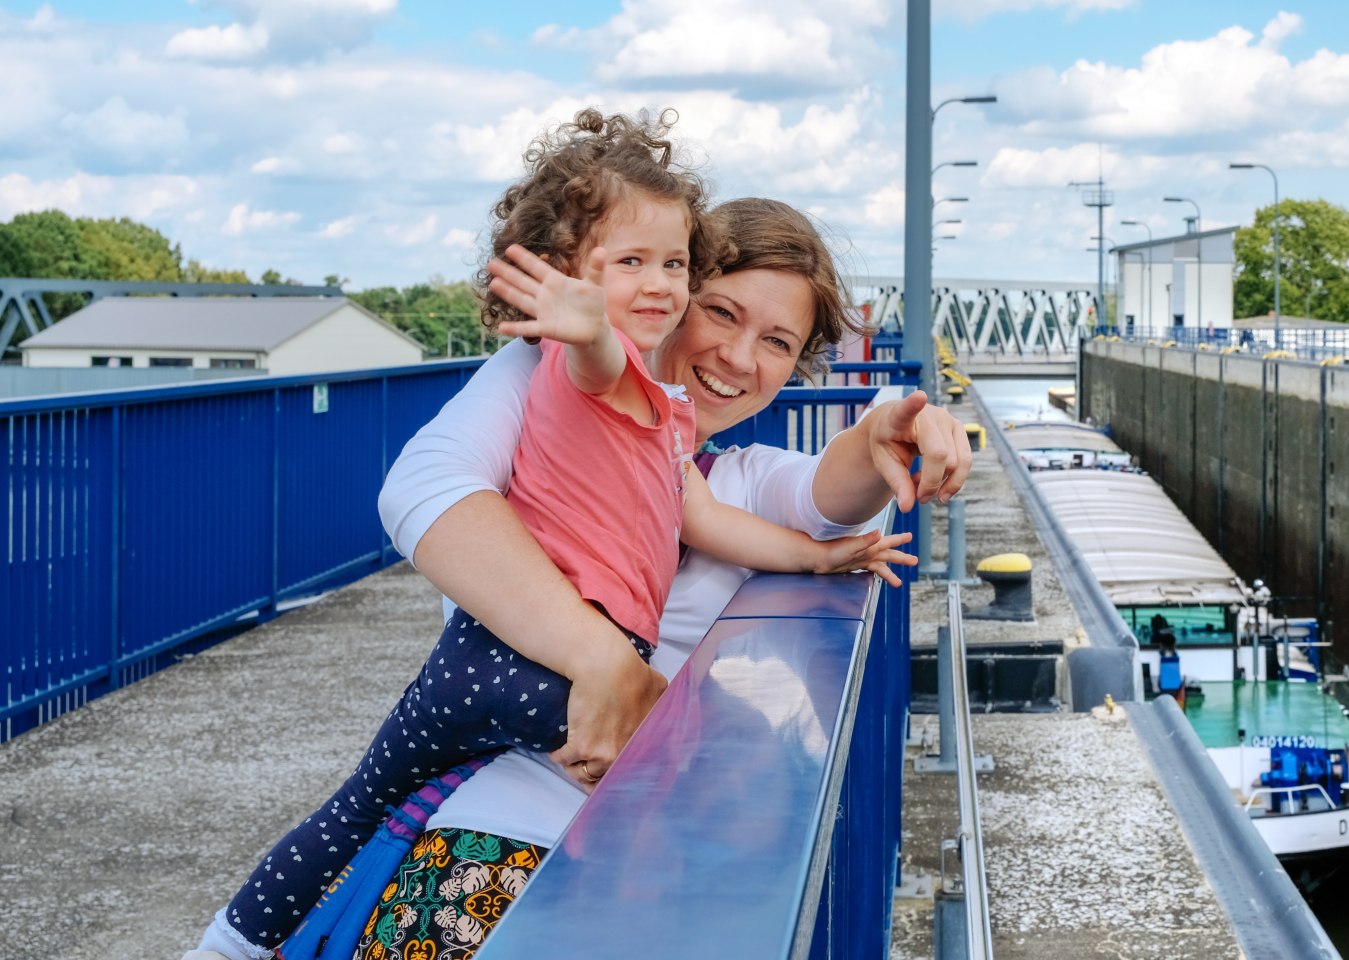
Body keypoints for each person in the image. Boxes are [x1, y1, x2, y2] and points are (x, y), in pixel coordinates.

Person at [197, 110, 928, 960]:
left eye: (777, 342)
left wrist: (890, 438)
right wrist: (605, 663)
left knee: (364, 809)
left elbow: (819, 491)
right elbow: (423, 486)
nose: (738, 356)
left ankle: (232, 943)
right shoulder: (548, 375)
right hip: (520, 788)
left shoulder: (719, 466)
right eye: (720, 310)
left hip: (650, 828)